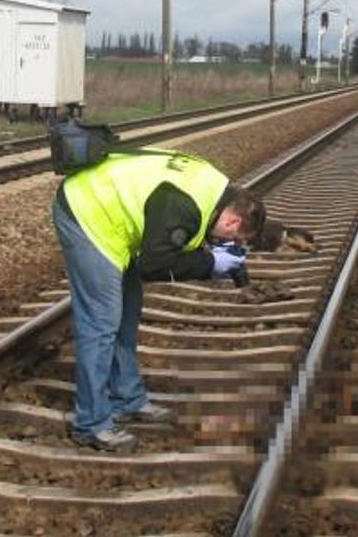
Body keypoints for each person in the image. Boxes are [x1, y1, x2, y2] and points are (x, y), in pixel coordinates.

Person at [52, 149, 266, 451]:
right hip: (86, 211)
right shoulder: (183, 206)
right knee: (101, 322)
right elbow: (153, 264)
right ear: (233, 222)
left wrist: (213, 259)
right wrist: (209, 265)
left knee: (127, 311)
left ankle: (127, 399)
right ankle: (91, 424)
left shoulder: (215, 190)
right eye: (236, 239)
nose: (228, 244)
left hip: (110, 211)